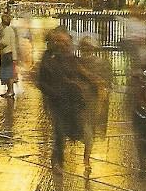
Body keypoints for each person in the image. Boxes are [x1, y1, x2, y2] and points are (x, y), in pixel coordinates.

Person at [37, 27, 108, 173]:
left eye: (65, 42)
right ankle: (57, 161)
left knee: (73, 129)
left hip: (71, 101)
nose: (63, 45)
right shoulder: (48, 58)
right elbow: (42, 81)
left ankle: (74, 157)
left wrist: (94, 81)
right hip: (56, 101)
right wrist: (53, 93)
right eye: (59, 41)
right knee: (60, 131)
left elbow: (82, 72)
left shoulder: (71, 58)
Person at [0, 14, 18, 98]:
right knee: (9, 72)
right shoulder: (10, 30)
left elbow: (5, 42)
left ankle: (10, 91)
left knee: (8, 73)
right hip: (10, 53)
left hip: (7, 53)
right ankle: (9, 90)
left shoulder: (6, 30)